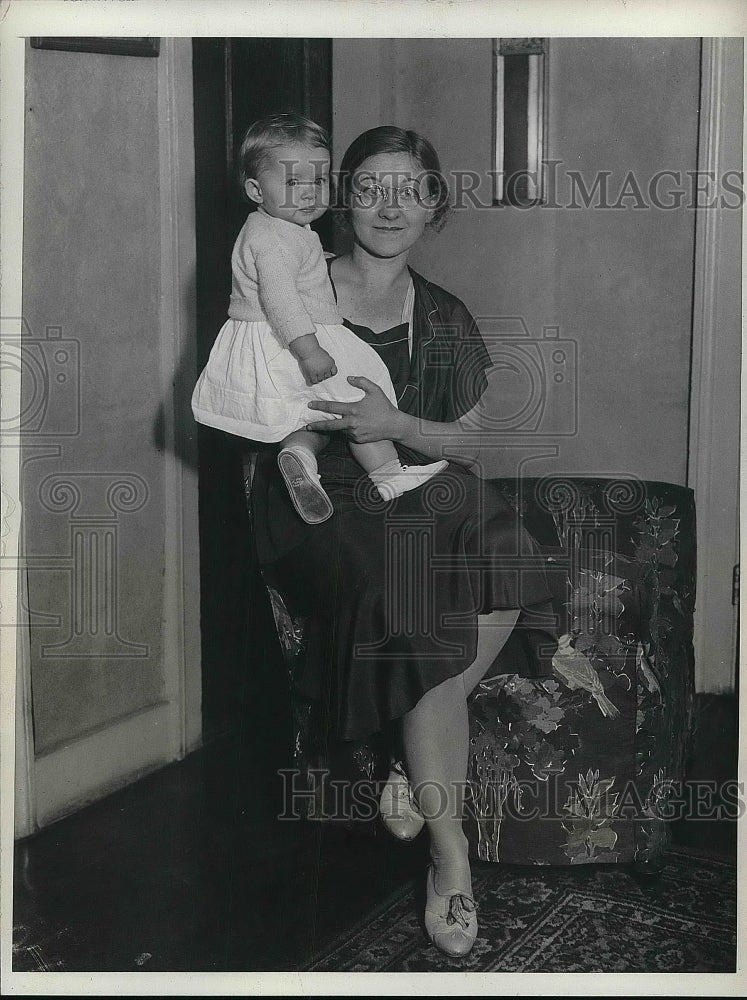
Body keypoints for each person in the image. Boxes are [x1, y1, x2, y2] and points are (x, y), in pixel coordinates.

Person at [250, 125, 561, 959]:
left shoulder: (444, 313)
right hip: (319, 496)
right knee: (415, 600)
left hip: (410, 476)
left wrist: (395, 423)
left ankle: (406, 751)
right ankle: (449, 859)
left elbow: (466, 443)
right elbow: (258, 410)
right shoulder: (292, 287)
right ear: (341, 198)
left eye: (409, 191)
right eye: (371, 188)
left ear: (431, 206)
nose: (389, 208)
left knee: (502, 533)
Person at [191, 113, 447, 525]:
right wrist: (309, 349)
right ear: (256, 189)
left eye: (318, 181)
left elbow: (478, 439)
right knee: (353, 391)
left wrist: (398, 424)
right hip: (293, 341)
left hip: (289, 346)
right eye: (294, 183)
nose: (309, 194)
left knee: (317, 408)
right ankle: (386, 473)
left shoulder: (286, 231)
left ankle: (302, 454)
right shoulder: (273, 239)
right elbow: (280, 298)